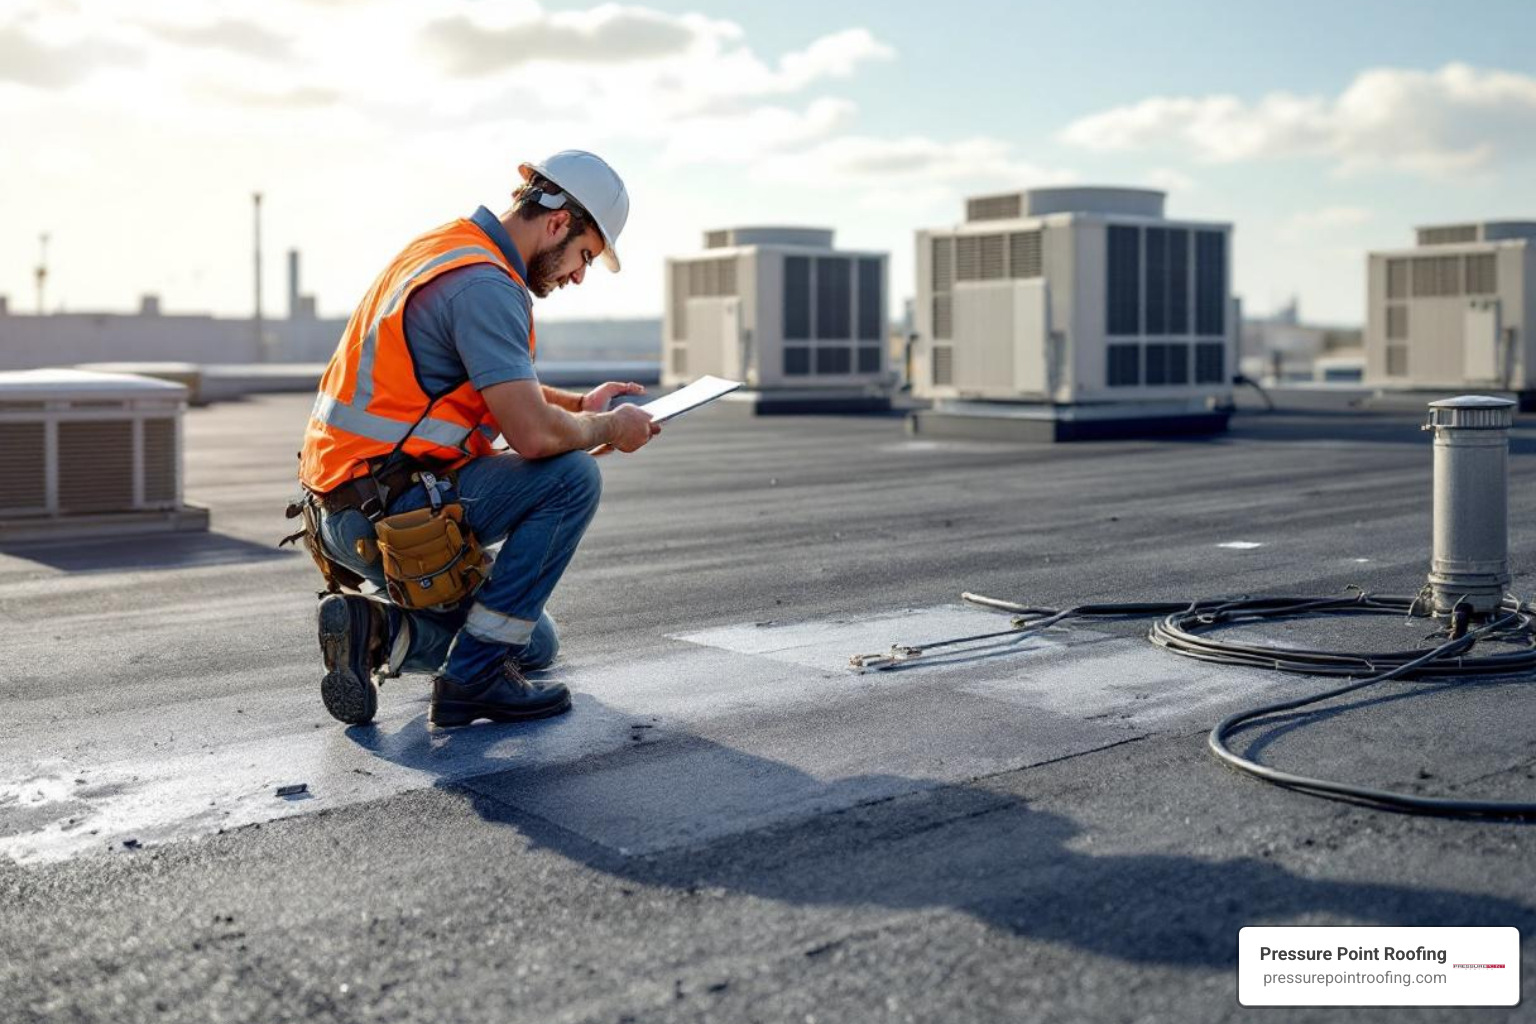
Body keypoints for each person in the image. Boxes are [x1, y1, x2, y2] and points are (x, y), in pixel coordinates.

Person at [294, 150, 659, 729]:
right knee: (573, 478)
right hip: (388, 508)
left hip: (344, 503)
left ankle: (381, 632)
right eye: (585, 256)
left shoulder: (450, 247)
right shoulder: (486, 286)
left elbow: (491, 380)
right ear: (559, 223)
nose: (578, 275)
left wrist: (579, 407)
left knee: (535, 644)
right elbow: (534, 436)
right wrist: (611, 427)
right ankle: (472, 683)